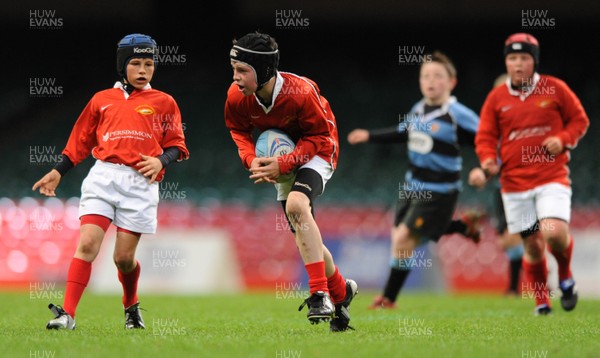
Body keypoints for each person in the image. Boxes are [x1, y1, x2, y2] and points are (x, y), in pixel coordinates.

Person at [32, 33, 190, 329]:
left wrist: (160, 161)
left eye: (149, 63)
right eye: (136, 64)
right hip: (103, 177)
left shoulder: (164, 102)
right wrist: (58, 170)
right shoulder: (101, 100)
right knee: (88, 244)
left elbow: (177, 145)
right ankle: (67, 314)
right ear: (122, 66)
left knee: (123, 259)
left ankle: (131, 306)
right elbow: (80, 141)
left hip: (141, 184)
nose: (143, 70)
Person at [224, 31, 357, 332]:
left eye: (243, 70)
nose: (236, 77)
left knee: (298, 205)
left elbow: (320, 136)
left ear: (265, 70)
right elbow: (238, 130)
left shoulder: (301, 92)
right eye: (233, 69)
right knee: (303, 232)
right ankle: (340, 292)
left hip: (318, 152)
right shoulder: (236, 97)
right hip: (281, 159)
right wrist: (251, 159)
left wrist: (284, 163)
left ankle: (319, 294)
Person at [347, 51, 482, 310]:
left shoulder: (457, 114)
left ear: (452, 82)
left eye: (438, 76)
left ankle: (388, 299)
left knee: (403, 239)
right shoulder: (419, 109)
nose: (431, 81)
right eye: (426, 76)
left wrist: (484, 170)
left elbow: (486, 140)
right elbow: (403, 133)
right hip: (412, 186)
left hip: (440, 190)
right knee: (400, 237)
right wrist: (370, 136)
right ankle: (461, 228)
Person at [469, 33, 589, 315]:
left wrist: (563, 138)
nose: (518, 63)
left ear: (534, 61)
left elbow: (580, 120)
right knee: (532, 245)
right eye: (513, 58)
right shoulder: (497, 98)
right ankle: (541, 302)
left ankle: (565, 275)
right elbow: (485, 136)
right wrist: (487, 162)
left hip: (551, 178)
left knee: (554, 232)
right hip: (515, 186)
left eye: (524, 58)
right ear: (506, 62)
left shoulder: (555, 88)